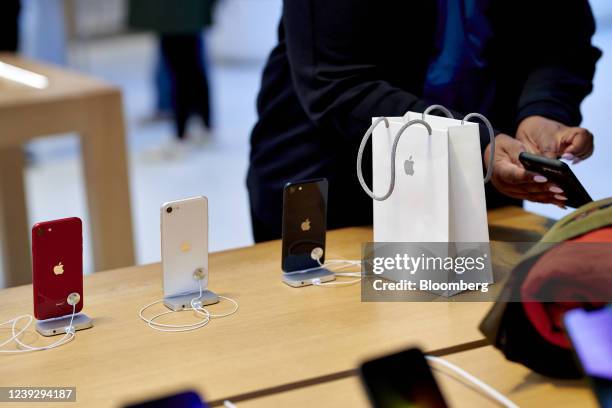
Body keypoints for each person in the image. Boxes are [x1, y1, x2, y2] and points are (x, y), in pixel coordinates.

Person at [247, 0, 601, 242]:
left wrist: (544, 110)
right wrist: (476, 142)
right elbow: (335, 81)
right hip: (340, 182)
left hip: (478, 183)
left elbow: (562, 41)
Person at [129, 0, 216, 155]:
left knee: (182, 70)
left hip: (177, 14)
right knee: (190, 67)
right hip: (183, 14)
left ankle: (182, 135)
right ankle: (202, 128)